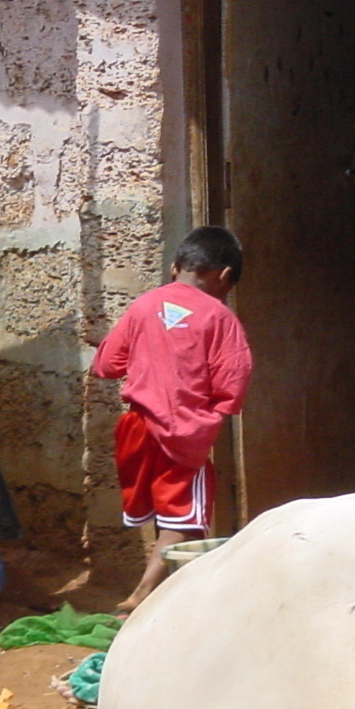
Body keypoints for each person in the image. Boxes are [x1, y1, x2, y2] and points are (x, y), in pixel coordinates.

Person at [93, 226, 253, 612]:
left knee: (163, 513)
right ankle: (145, 593)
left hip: (135, 429)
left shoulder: (143, 306)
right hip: (182, 432)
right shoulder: (220, 317)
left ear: (174, 267)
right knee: (184, 519)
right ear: (225, 277)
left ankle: (163, 592)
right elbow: (233, 383)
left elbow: (106, 365)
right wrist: (208, 421)